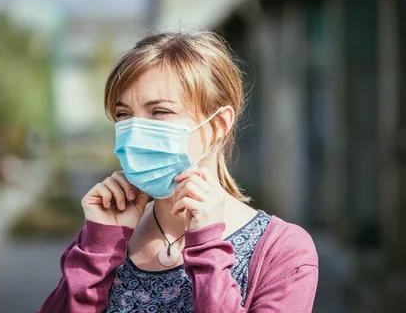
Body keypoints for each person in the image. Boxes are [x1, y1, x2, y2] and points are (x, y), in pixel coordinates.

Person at [38, 31, 318, 312]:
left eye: (159, 111)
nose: (135, 131)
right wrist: (99, 246)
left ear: (219, 123)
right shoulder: (107, 238)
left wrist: (207, 245)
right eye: (124, 114)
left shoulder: (282, 251)